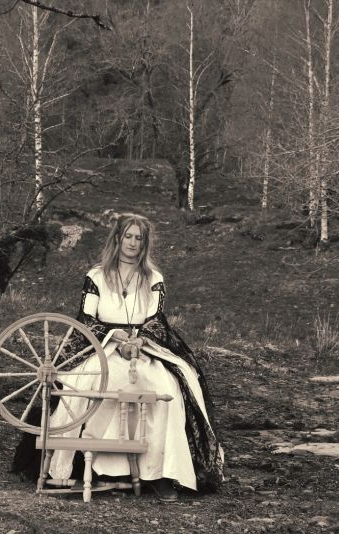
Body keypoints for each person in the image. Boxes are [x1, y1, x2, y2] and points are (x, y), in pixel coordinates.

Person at [12, 213, 223, 501]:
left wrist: (139, 340)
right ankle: (93, 468)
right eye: (128, 236)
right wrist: (115, 337)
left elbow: (156, 320)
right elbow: (87, 319)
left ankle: (159, 473)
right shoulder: (97, 275)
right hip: (103, 345)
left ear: (145, 243)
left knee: (166, 387)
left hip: (143, 346)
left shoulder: (154, 278)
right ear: (117, 239)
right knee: (94, 383)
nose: (133, 243)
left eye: (139, 238)